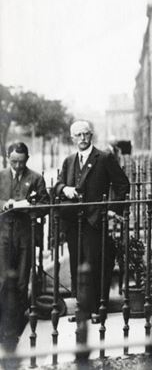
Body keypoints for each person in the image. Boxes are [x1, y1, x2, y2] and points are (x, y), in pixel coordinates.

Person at [54, 120, 130, 314]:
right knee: (76, 264)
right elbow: (58, 185)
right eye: (78, 135)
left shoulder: (104, 158)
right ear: (72, 138)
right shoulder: (69, 161)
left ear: (91, 135)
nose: (82, 138)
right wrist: (66, 189)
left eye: (85, 134)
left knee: (95, 264)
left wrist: (113, 210)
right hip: (73, 221)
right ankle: (82, 309)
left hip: (95, 221)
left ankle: (97, 308)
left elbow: (123, 184)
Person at [0, 142, 49, 348]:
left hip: (25, 236)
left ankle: (16, 326)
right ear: (8, 158)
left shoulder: (36, 178)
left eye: (21, 162)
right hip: (2, 235)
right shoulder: (1, 176)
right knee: (3, 280)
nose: (18, 166)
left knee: (21, 282)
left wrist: (28, 207)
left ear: (27, 159)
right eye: (13, 162)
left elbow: (46, 205)